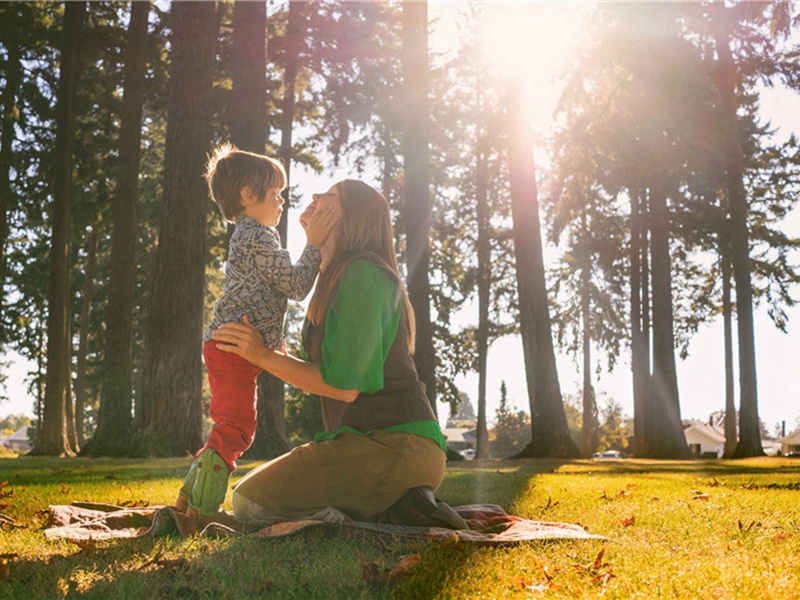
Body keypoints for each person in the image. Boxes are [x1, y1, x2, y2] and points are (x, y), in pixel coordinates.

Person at [212, 180, 446, 522]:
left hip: (396, 446)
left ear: (354, 217)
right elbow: (331, 375)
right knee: (249, 497)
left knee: (250, 501)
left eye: (330, 196)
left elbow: (344, 386)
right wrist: (267, 354)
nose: (315, 197)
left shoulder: (361, 273)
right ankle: (390, 506)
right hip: (373, 445)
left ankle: (385, 505)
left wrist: (263, 355)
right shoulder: (338, 276)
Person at [176, 145, 337, 524]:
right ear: (249, 196)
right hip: (232, 347)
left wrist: (269, 336)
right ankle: (201, 513)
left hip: (232, 346)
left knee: (229, 428)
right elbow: (295, 285)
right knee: (236, 430)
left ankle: (187, 500)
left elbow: (266, 292)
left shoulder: (249, 237)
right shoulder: (258, 238)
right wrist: (313, 244)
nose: (281, 201)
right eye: (275, 194)